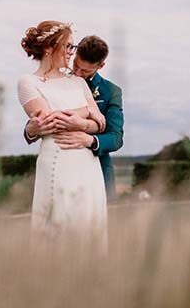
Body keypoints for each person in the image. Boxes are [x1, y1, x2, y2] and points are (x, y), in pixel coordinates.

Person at [18, 21, 107, 249]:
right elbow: (50, 121)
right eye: (68, 46)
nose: (71, 52)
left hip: (88, 164)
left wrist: (86, 121)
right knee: (58, 229)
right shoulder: (28, 82)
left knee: (91, 229)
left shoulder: (78, 81)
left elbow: (101, 123)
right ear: (49, 48)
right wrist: (87, 112)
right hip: (58, 159)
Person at [25, 35, 124, 201]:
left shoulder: (111, 91)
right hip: (62, 168)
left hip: (98, 168)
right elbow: (42, 115)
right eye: (76, 65)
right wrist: (31, 130)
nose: (78, 73)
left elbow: (116, 137)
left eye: (85, 70)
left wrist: (90, 140)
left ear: (101, 66)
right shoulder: (55, 80)